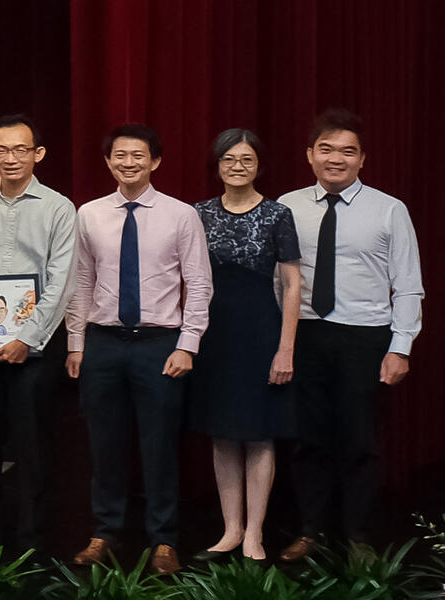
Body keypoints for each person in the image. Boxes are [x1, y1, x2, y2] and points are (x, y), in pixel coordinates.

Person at [64, 124, 212, 573]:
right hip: (103, 343)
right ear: (108, 162)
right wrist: (76, 343)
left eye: (138, 156)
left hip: (160, 344)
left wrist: (188, 344)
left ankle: (163, 539)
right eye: (120, 156)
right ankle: (104, 532)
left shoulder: (181, 215)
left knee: (159, 445)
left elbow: (200, 283)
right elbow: (82, 282)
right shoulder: (89, 214)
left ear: (156, 161)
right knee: (105, 444)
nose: (129, 163)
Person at [279, 109, 418, 560]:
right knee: (309, 439)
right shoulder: (288, 206)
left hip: (364, 337)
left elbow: (408, 282)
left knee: (360, 440)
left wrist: (401, 347)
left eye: (347, 151)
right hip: (307, 335)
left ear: (362, 160)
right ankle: (311, 531)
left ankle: (357, 536)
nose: (335, 158)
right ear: (309, 155)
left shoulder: (389, 209)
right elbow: (276, 279)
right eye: (326, 149)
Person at [0, 115, 78, 556]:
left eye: (20, 150)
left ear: (37, 154)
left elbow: (63, 280)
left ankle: (32, 542)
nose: (10, 158)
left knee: (34, 449)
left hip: (36, 350)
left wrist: (27, 337)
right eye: (1, 150)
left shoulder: (59, 208)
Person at [187, 128, 300, 563]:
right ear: (217, 165)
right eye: (229, 159)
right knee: (222, 433)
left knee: (259, 434)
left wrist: (286, 347)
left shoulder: (277, 214)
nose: (237, 166)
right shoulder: (198, 213)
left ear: (259, 165)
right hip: (214, 334)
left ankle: (255, 533)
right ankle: (230, 529)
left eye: (246, 159)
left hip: (261, 332)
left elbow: (292, 284)